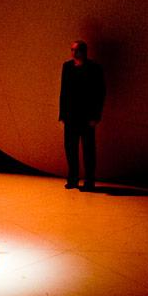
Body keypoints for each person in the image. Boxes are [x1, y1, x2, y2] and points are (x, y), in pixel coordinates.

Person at [59, 40, 105, 191]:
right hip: (71, 116)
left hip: (87, 116)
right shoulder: (67, 67)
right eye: (72, 50)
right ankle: (73, 179)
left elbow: (99, 93)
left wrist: (96, 116)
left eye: (76, 50)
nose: (73, 53)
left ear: (83, 51)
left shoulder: (94, 68)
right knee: (70, 148)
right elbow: (64, 91)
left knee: (88, 150)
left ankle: (89, 181)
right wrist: (63, 114)